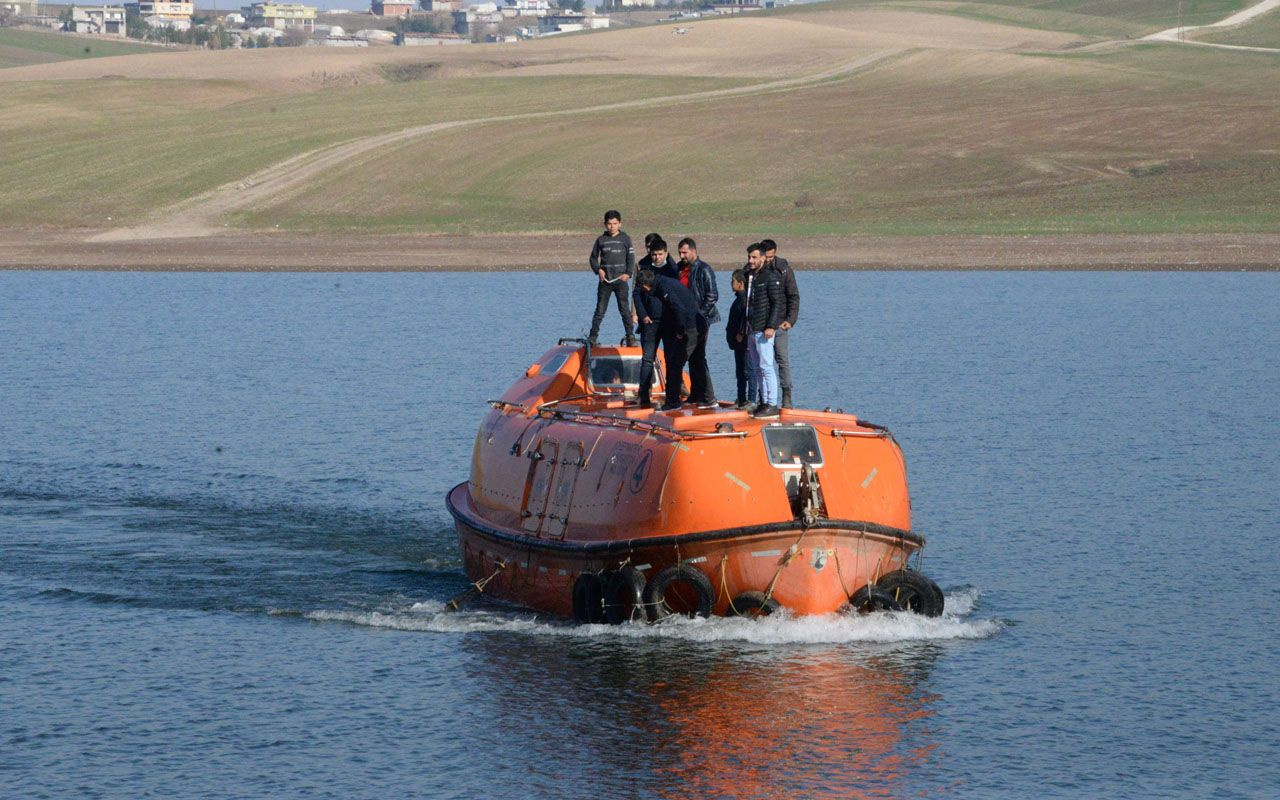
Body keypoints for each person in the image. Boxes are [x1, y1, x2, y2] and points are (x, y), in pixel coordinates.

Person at [635, 269, 713, 411]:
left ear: (645, 286)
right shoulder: (665, 281)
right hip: (700, 323)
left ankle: (673, 402)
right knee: (698, 360)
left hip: (690, 327)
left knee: (674, 364)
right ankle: (707, 398)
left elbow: (679, 309)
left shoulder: (663, 287)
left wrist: (680, 331)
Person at [632, 236, 678, 407]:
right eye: (654, 254)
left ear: (666, 253)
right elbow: (636, 293)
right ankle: (644, 397)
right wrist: (642, 314)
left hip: (668, 321)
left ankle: (672, 397)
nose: (657, 258)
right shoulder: (644, 266)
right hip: (650, 321)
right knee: (647, 359)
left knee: (671, 359)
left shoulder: (672, 268)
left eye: (660, 254)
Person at [675, 237, 718, 406]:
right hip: (685, 320)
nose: (682, 255)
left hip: (700, 320)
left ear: (694, 251)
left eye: (685, 252)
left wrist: (699, 315)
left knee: (695, 357)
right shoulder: (680, 268)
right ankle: (697, 394)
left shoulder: (704, 269)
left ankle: (709, 397)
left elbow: (712, 295)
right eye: (680, 252)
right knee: (695, 357)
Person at [744, 242, 784, 419]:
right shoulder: (752, 276)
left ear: (762, 258)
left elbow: (777, 302)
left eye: (754, 257)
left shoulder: (770, 276)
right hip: (752, 328)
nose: (751, 260)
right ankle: (764, 401)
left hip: (764, 329)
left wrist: (771, 325)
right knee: (758, 367)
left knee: (767, 366)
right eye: (749, 257)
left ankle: (772, 403)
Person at [587, 210, 637, 347]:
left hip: (620, 280)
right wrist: (598, 270)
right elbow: (592, 258)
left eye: (615, 223)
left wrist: (628, 273)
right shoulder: (601, 240)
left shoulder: (625, 239)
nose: (612, 226)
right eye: (609, 224)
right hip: (605, 281)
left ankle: (630, 337)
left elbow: (631, 258)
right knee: (600, 311)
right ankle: (592, 337)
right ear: (605, 224)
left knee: (624, 310)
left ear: (620, 224)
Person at [760, 238, 799, 408]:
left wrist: (790, 320)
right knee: (762, 362)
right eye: (766, 257)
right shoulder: (755, 270)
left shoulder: (784, 270)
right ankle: (764, 398)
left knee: (782, 360)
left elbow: (793, 296)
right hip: (761, 324)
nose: (768, 260)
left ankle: (787, 396)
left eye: (771, 257)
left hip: (781, 324)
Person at [725, 268, 757, 410]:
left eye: (733, 281)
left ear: (740, 283)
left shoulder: (745, 300)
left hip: (745, 342)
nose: (731, 283)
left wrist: (741, 332)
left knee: (749, 371)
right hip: (737, 344)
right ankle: (741, 398)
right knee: (740, 372)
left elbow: (748, 317)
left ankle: (751, 400)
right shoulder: (738, 299)